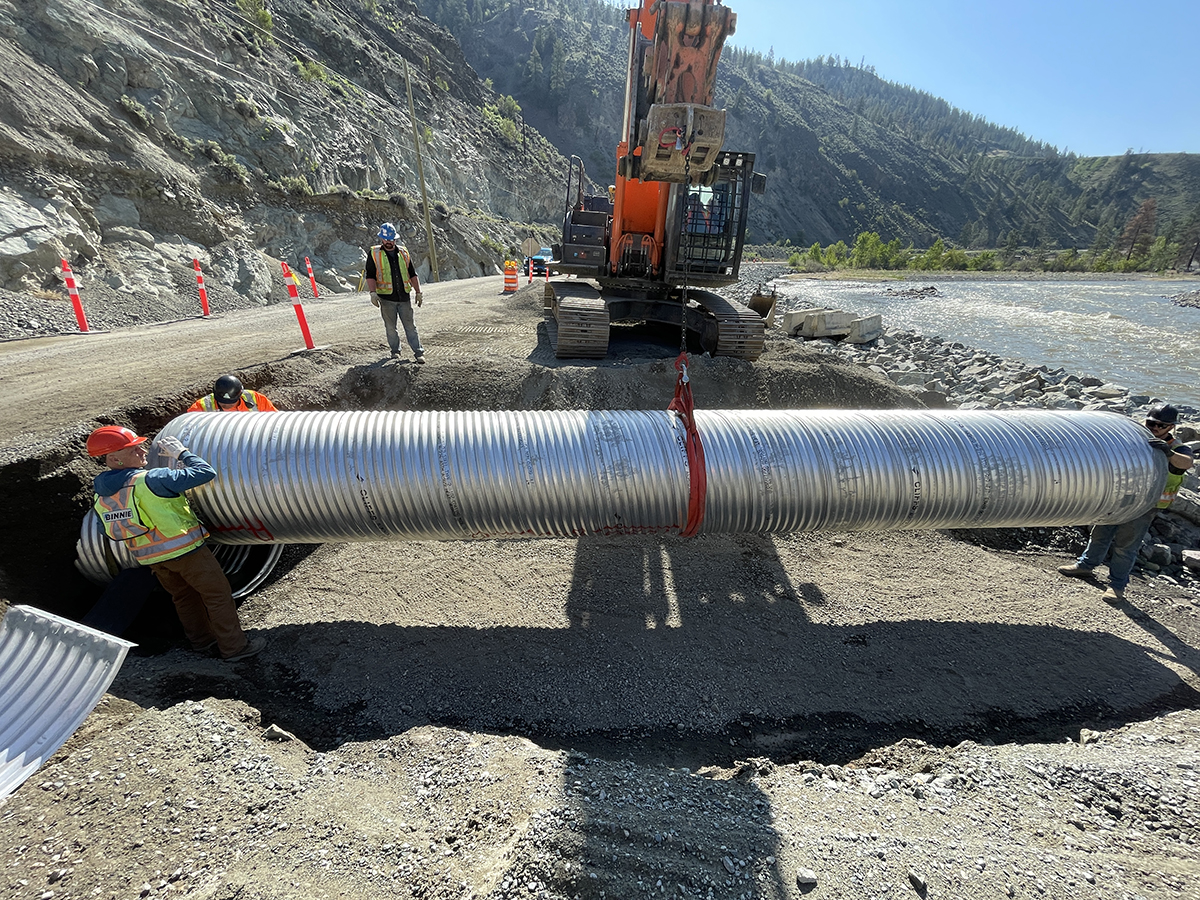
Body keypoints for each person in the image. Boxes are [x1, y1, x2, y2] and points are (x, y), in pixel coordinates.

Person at [87, 425, 266, 661]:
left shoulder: (101, 493)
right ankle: (235, 648)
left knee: (183, 597)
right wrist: (181, 453)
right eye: (133, 448)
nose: (142, 450)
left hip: (151, 558)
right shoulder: (151, 479)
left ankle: (202, 642)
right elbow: (205, 472)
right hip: (186, 552)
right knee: (217, 594)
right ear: (114, 458)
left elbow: (104, 528)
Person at [1058, 403, 1195, 602]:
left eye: (1161, 425)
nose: (1155, 428)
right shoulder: (1136, 438)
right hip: (1122, 496)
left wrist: (1169, 453)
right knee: (1100, 532)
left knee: (1126, 544)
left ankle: (1116, 585)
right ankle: (1086, 566)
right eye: (1151, 423)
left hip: (1147, 504)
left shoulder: (1177, 448)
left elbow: (1186, 463)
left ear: (1171, 427)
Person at [365, 222, 425, 363]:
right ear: (382, 239)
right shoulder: (374, 254)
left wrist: (418, 292)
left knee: (410, 326)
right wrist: (372, 293)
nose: (389, 242)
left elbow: (412, 273)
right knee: (391, 328)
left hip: (404, 297)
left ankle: (418, 352)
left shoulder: (403, 253)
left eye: (392, 240)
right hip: (386, 299)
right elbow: (370, 275)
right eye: (387, 240)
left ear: (395, 239)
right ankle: (395, 351)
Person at [188, 374, 278, 412]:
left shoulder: (256, 399)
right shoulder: (201, 406)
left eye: (231, 402)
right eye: (222, 402)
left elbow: (274, 420)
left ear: (240, 395)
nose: (226, 405)